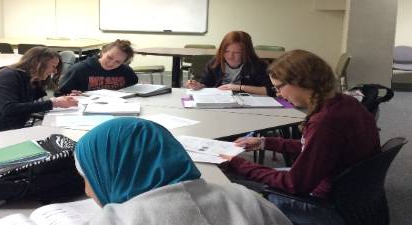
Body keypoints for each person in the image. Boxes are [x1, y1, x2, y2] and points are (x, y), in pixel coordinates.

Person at [221, 50, 381, 224]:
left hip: (324, 205)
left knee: (232, 187)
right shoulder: (344, 102)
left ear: (300, 82)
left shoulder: (326, 122)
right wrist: (264, 142)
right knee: (247, 174)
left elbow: (293, 185)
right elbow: (315, 148)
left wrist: (236, 161)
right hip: (348, 194)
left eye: (279, 87)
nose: (279, 94)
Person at [74, 117, 292, 225]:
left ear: (112, 172)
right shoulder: (245, 198)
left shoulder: (114, 221)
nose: (86, 190)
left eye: (87, 177)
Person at [0, 47, 77, 134]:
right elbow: (9, 109)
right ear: (38, 64)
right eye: (53, 66)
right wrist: (54, 103)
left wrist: (62, 99)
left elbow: (30, 104)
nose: (55, 71)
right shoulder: (8, 77)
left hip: (10, 129)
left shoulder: (30, 79)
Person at [186, 31, 274, 96]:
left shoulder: (258, 65)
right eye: (226, 51)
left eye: (236, 53)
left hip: (248, 104)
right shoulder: (215, 63)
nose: (230, 56)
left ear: (247, 52)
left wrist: (239, 87)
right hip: (220, 101)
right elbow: (206, 83)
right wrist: (198, 85)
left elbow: (271, 90)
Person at [56, 39, 138, 96]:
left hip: (117, 108)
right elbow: (59, 94)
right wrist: (70, 95)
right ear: (102, 52)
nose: (111, 63)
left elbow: (134, 89)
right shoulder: (79, 69)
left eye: (118, 62)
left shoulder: (126, 71)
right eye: (109, 57)